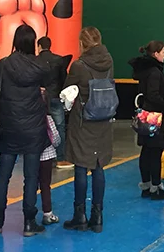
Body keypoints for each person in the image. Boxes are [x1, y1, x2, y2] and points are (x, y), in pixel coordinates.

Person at [0, 24, 50, 237]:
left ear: (15, 41)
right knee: (31, 177)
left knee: (3, 175)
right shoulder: (39, 67)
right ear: (32, 42)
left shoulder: (4, 64)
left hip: (9, 127)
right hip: (33, 128)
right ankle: (29, 223)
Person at [62, 27, 115, 233]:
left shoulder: (79, 65)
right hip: (104, 120)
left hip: (83, 121)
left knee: (81, 166)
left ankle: (80, 216)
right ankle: (98, 215)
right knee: (99, 166)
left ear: (82, 43)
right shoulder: (109, 62)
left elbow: (67, 89)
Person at [130, 40, 164, 200]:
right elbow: (153, 94)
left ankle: (146, 185)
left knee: (146, 150)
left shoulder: (144, 70)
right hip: (155, 117)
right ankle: (156, 187)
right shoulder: (155, 72)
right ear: (156, 54)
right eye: (163, 52)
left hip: (145, 115)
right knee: (155, 151)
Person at [36, 36, 73, 169]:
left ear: (39, 46)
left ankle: (40, 157)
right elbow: (64, 79)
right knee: (59, 127)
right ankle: (60, 158)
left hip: (40, 98)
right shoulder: (59, 60)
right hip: (56, 96)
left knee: (39, 127)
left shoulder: (35, 60)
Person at [40, 100, 61, 226]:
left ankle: (28, 216)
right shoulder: (48, 119)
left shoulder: (26, 118)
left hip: (31, 155)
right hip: (47, 156)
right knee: (45, 185)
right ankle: (47, 213)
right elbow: (56, 138)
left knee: (30, 184)